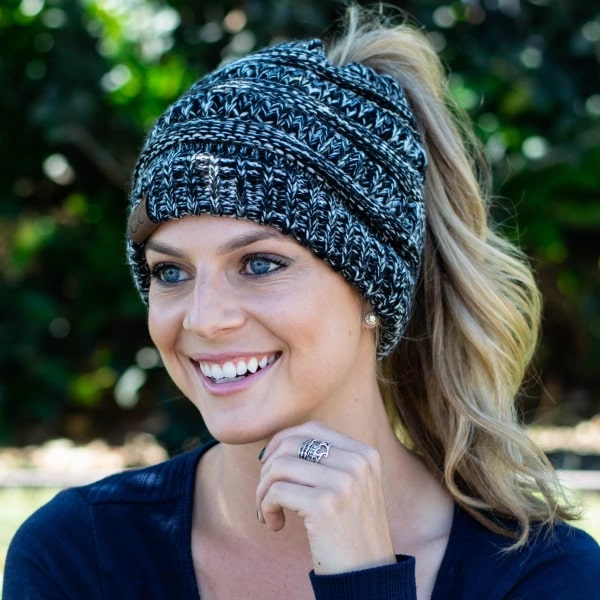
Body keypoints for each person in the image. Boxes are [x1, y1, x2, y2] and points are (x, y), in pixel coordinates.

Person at [4, 5, 599, 599]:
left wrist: (364, 578)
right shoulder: (78, 556)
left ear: (374, 286)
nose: (204, 319)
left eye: (260, 264)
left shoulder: (543, 577)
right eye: (171, 272)